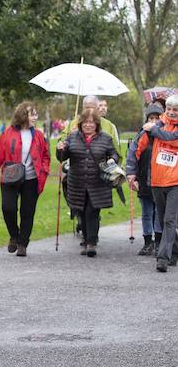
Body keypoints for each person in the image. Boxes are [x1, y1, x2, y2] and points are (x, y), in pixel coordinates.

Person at [0, 102, 51, 257]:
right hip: (10, 178)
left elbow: (46, 156)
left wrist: (44, 171)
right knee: (8, 208)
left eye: (35, 114)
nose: (35, 117)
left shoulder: (39, 135)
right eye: (32, 114)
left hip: (32, 179)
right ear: (23, 115)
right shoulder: (7, 133)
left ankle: (22, 243)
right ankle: (14, 235)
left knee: (28, 212)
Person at [56, 109, 119, 257]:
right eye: (85, 122)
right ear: (80, 123)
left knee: (92, 211)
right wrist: (61, 150)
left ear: (97, 124)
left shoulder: (106, 138)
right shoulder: (72, 137)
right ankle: (86, 240)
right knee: (81, 212)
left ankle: (91, 242)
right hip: (77, 182)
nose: (88, 125)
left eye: (91, 122)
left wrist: (112, 160)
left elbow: (114, 153)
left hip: (97, 182)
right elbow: (62, 157)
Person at [130, 95, 178, 272]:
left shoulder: (157, 129)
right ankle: (174, 251)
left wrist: (154, 129)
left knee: (169, 220)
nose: (172, 113)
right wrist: (131, 173)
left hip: (175, 182)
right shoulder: (156, 126)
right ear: (165, 111)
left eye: (175, 110)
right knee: (165, 219)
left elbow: (171, 138)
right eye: (169, 110)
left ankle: (163, 258)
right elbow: (137, 148)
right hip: (156, 181)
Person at [126, 103, 164, 256]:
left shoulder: (165, 135)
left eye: (157, 118)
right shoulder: (141, 136)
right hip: (144, 181)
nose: (153, 122)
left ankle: (159, 241)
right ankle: (148, 241)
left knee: (158, 212)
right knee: (146, 212)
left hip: (161, 182)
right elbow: (132, 156)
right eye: (151, 118)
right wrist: (131, 174)